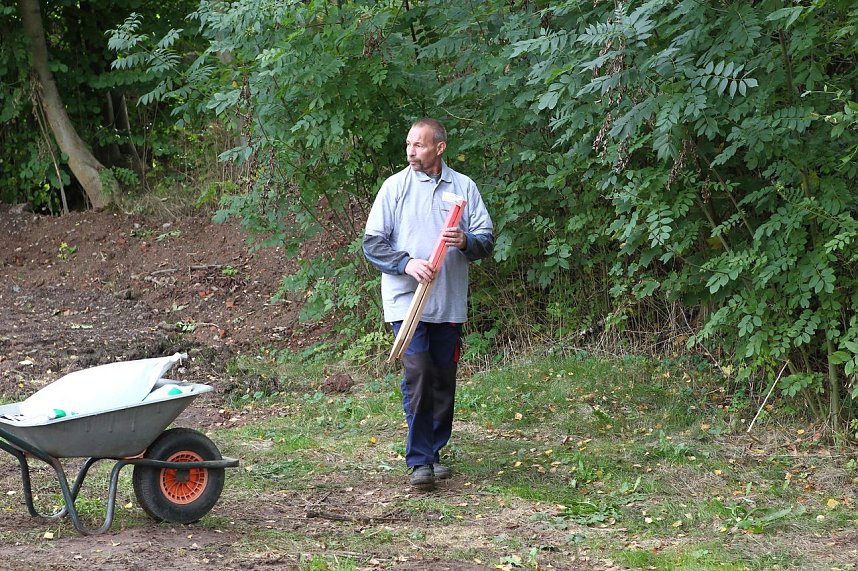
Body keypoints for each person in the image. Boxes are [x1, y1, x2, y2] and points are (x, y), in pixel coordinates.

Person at [362, 118, 494, 488]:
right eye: (408, 144)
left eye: (418, 145)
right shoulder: (395, 187)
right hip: (407, 301)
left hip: (448, 302)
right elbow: (372, 243)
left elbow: (486, 239)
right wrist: (406, 263)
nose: (410, 151)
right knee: (418, 374)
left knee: (442, 380)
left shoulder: (464, 188)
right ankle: (420, 460)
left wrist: (465, 241)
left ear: (439, 147)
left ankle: (433, 450)